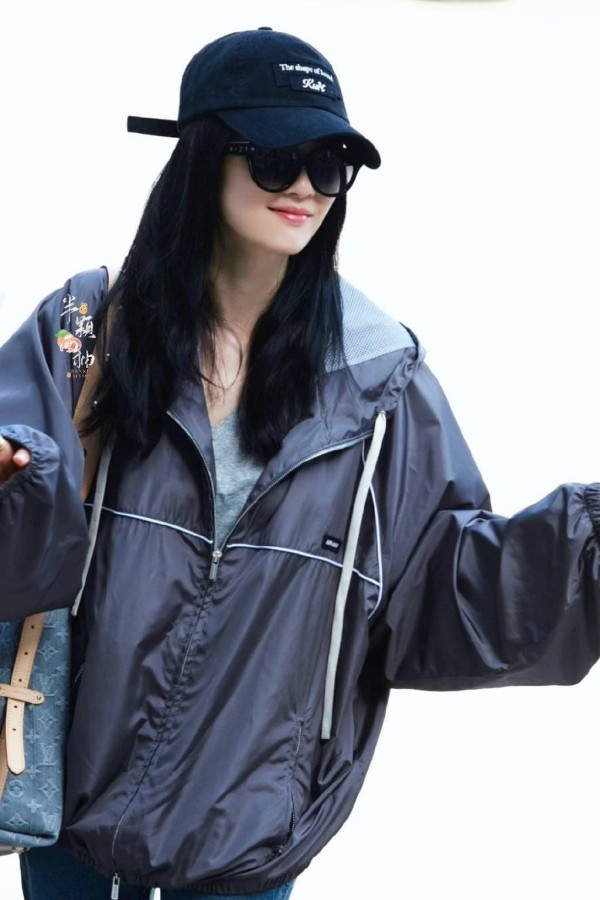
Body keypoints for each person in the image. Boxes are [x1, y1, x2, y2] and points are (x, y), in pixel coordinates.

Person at [0, 24, 599, 900]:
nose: (307, 188)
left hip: (250, 830)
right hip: (74, 807)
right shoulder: (87, 328)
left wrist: (586, 541)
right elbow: (21, 534)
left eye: (330, 164)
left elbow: (439, 586)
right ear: (202, 156)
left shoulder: (381, 379)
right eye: (278, 159)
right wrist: (16, 476)